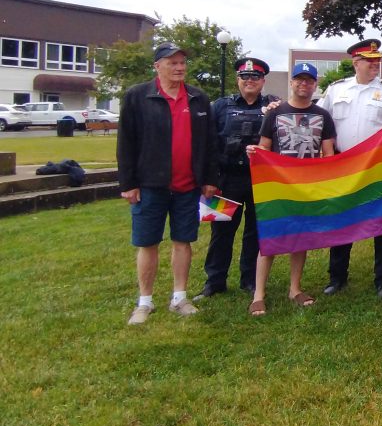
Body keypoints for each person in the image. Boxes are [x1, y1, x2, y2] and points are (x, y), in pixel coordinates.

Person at [118, 42, 218, 325]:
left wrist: (210, 179)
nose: (179, 67)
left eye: (182, 62)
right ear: (157, 66)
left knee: (183, 241)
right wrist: (129, 182)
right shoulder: (137, 96)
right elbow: (126, 142)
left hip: (188, 186)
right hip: (150, 185)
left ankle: (179, 297)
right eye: (172, 62)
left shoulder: (198, 98)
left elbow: (209, 143)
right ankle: (145, 302)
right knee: (147, 242)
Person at [247, 63, 337, 316]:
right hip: (278, 186)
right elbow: (264, 147)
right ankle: (258, 295)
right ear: (292, 82)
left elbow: (329, 153)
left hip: (307, 187)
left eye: (309, 81)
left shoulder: (323, 115)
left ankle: (295, 288)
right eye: (299, 80)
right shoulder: (274, 114)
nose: (304, 84)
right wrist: (255, 154)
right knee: (271, 238)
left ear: (315, 85)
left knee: (301, 238)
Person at [319, 39, 382, 298]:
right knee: (341, 219)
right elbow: (321, 122)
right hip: (344, 164)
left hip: (376, 168)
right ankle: (337, 276)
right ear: (356, 63)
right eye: (370, 61)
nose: (375, 65)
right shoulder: (335, 90)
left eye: (378, 60)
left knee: (381, 222)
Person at [195, 57, 278, 299]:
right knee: (221, 232)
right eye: (245, 77)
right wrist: (208, 179)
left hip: (261, 181)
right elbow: (207, 143)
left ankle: (250, 279)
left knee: (255, 231)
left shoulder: (274, 105)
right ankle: (215, 280)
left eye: (255, 77)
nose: (249, 81)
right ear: (237, 80)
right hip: (225, 180)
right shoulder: (220, 106)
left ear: (263, 81)